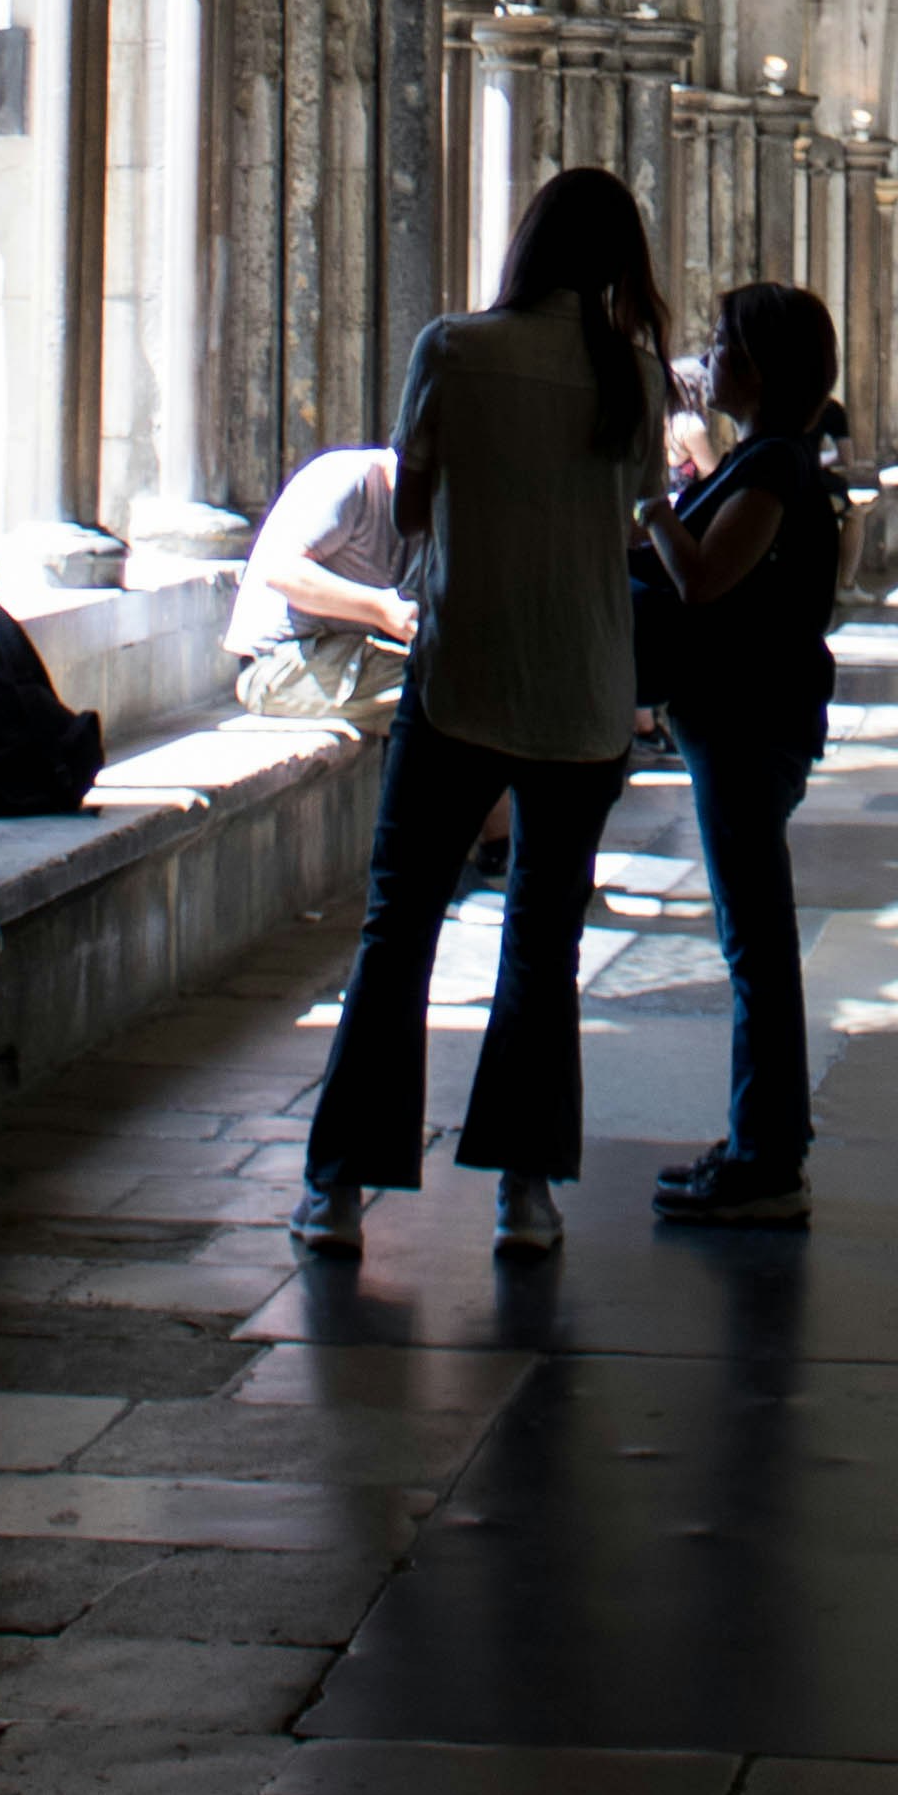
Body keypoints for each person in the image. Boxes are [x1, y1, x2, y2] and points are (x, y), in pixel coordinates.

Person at [295, 167, 667, 1261]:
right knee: (542, 943)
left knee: (397, 928)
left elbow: (410, 511)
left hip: (462, 678)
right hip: (583, 692)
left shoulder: (452, 348)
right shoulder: (635, 380)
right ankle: (525, 1188)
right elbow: (640, 522)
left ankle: (339, 1185)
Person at [635, 274, 848, 1223]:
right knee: (752, 935)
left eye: (720, 341)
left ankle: (766, 1159)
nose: (706, 358)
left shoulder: (770, 466)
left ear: (756, 366)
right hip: (744, 713)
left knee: (753, 939)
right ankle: (763, 1140)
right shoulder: (768, 454)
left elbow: (705, 579)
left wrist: (648, 506)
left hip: (749, 718)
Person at [226, 443, 414, 729]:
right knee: (441, 694)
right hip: (276, 667)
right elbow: (281, 571)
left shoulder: (415, 514)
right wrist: (379, 609)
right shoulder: (346, 477)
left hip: (345, 654)